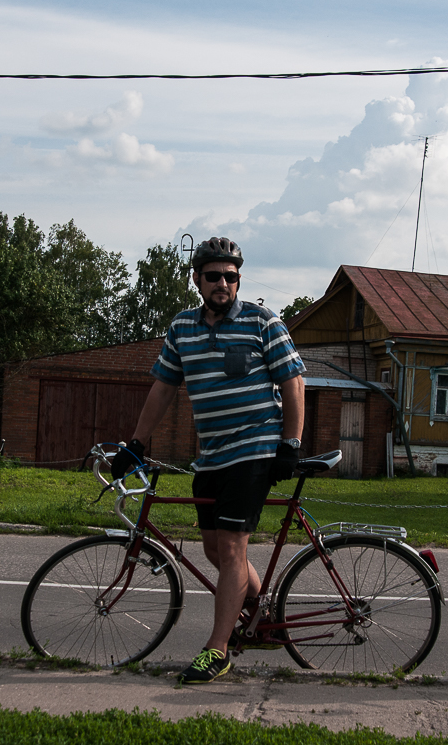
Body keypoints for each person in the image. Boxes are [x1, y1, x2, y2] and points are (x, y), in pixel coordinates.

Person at [110, 237, 305, 685]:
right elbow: (163, 388)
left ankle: (217, 650)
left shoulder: (262, 322)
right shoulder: (182, 328)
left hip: (255, 448)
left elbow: (293, 380)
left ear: (239, 280)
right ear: (197, 279)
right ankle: (262, 617)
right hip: (212, 456)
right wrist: (137, 444)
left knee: (234, 547)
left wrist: (289, 443)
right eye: (214, 275)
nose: (223, 283)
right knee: (214, 548)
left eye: (231, 276)